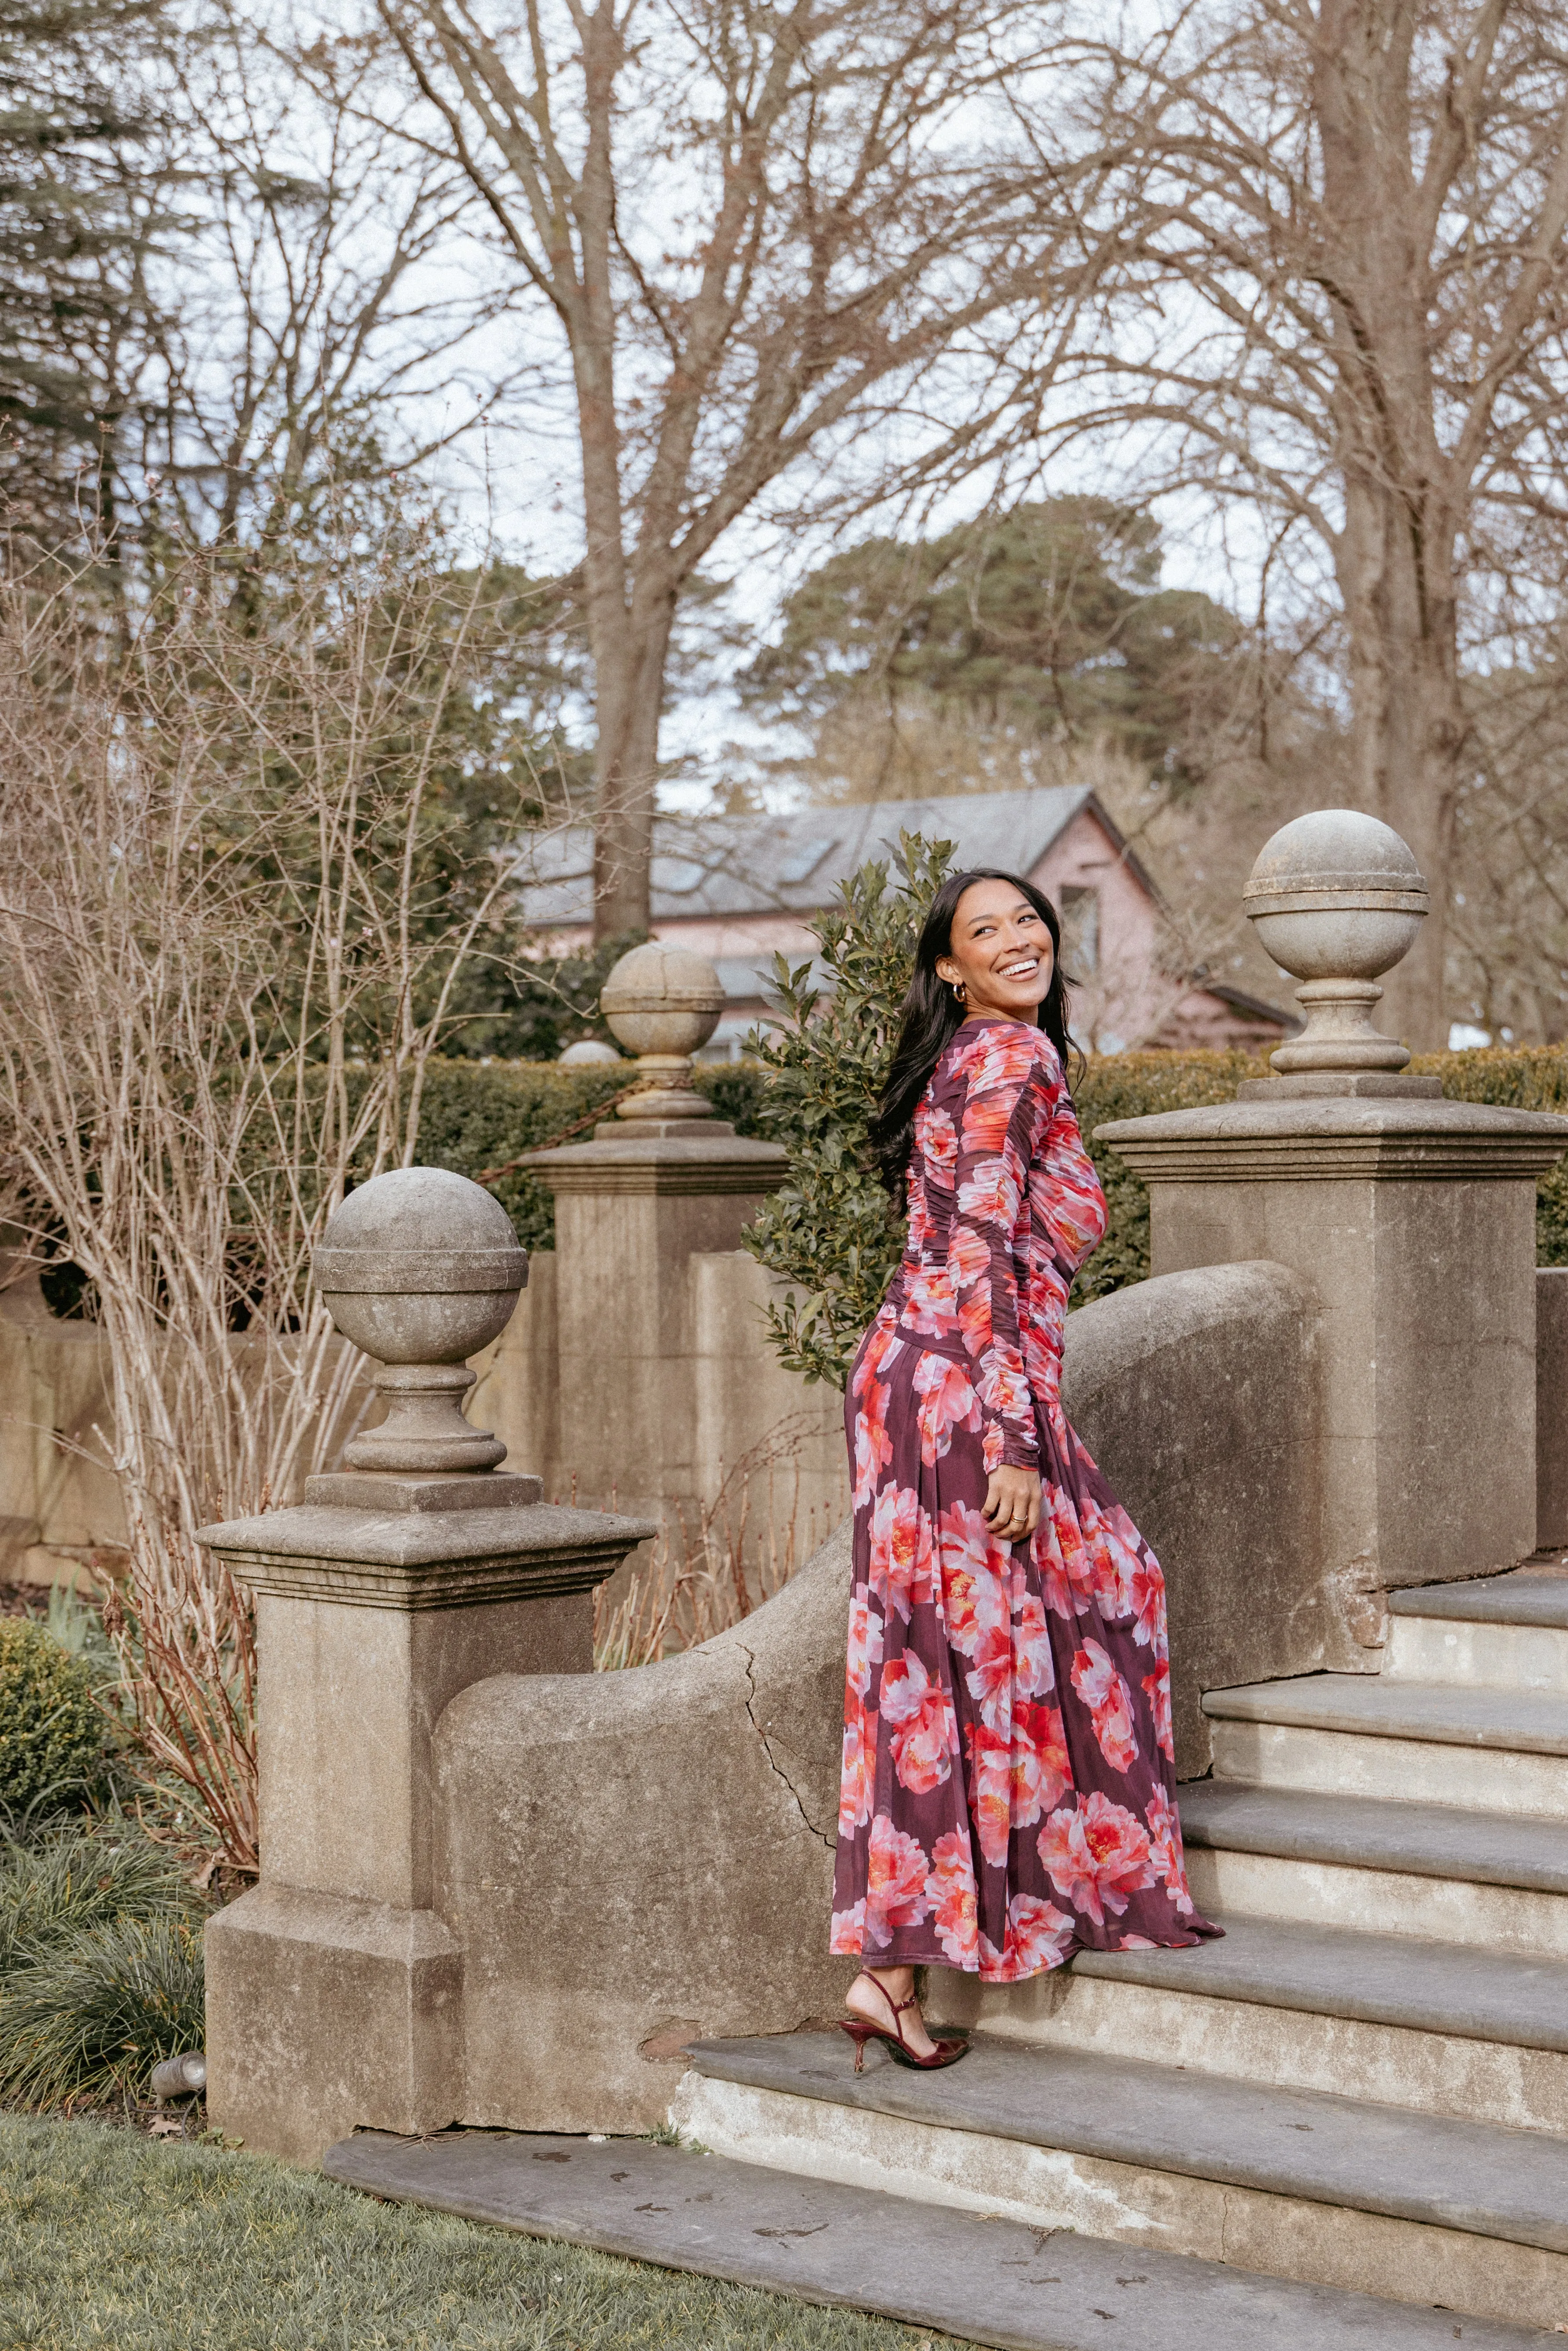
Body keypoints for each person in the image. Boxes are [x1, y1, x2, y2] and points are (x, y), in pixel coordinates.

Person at [832, 869, 1220, 2073]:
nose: (1017, 939)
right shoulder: (1009, 1058)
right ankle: (940, 1946)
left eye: (1027, 920)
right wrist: (1011, 1438)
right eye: (983, 929)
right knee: (1070, 1607)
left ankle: (899, 1968)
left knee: (943, 1656)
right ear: (949, 968)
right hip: (965, 1389)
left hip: (919, 1373)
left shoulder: (974, 1059)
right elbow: (987, 1249)